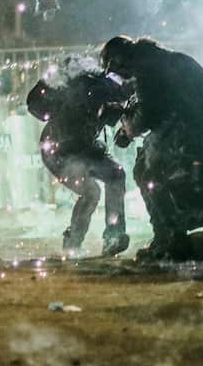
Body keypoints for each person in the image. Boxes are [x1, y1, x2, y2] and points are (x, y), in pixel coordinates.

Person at [100, 35, 203, 261]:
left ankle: (170, 237)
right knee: (155, 168)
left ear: (119, 59)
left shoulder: (147, 68)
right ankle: (178, 230)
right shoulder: (157, 59)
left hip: (195, 129)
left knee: (148, 173)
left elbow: (148, 115)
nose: (122, 78)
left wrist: (128, 128)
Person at [27, 68, 131, 256]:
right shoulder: (82, 88)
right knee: (91, 192)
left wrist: (128, 130)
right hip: (58, 151)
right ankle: (73, 243)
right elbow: (35, 104)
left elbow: (123, 112)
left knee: (116, 176)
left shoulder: (105, 97)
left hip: (85, 148)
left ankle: (113, 237)